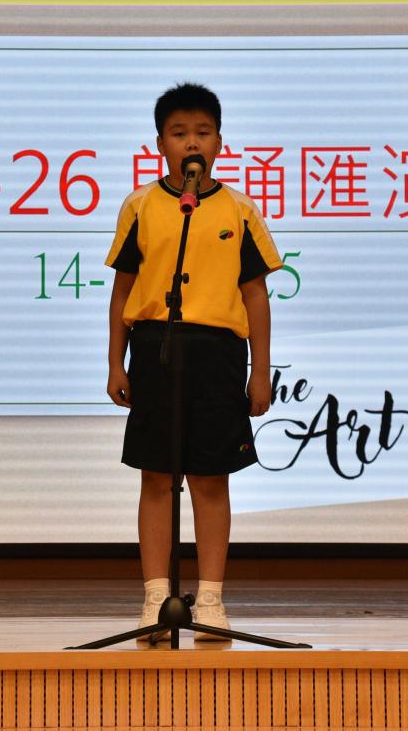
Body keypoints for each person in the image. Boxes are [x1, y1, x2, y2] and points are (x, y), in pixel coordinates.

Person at [104, 83, 281, 641]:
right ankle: (156, 598)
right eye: (179, 133)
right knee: (156, 477)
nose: (191, 143)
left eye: (203, 132)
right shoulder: (141, 206)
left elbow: (255, 296)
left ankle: (210, 601)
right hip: (154, 348)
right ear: (160, 144)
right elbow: (122, 290)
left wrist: (259, 371)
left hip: (217, 355)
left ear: (220, 143)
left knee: (210, 479)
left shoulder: (239, 210)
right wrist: (115, 362)